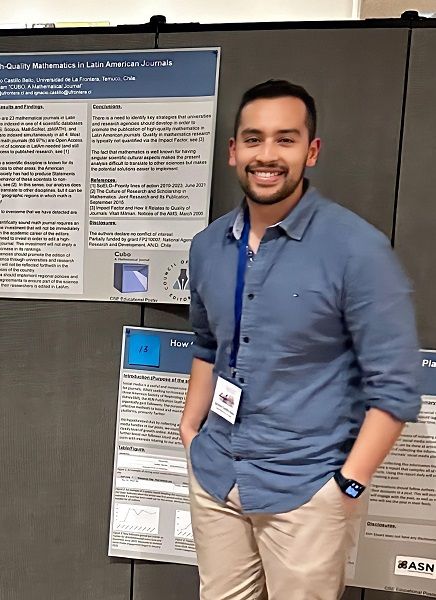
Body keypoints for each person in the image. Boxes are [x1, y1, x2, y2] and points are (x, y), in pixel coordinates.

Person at [180, 79, 420, 599]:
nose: (267, 155)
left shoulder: (358, 250)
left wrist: (348, 485)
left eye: (285, 139)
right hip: (217, 473)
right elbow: (206, 343)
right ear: (233, 151)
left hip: (306, 489)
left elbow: (397, 388)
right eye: (254, 139)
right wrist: (190, 430)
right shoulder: (207, 247)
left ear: (311, 151)